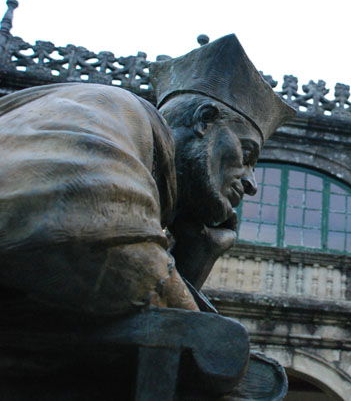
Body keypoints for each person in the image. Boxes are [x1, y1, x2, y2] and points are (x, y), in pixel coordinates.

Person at [0, 34, 295, 315]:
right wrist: (184, 289)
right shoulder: (106, 108)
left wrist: (192, 262)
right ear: (205, 121)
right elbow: (66, 229)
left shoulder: (148, 174)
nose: (252, 183)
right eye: (247, 155)